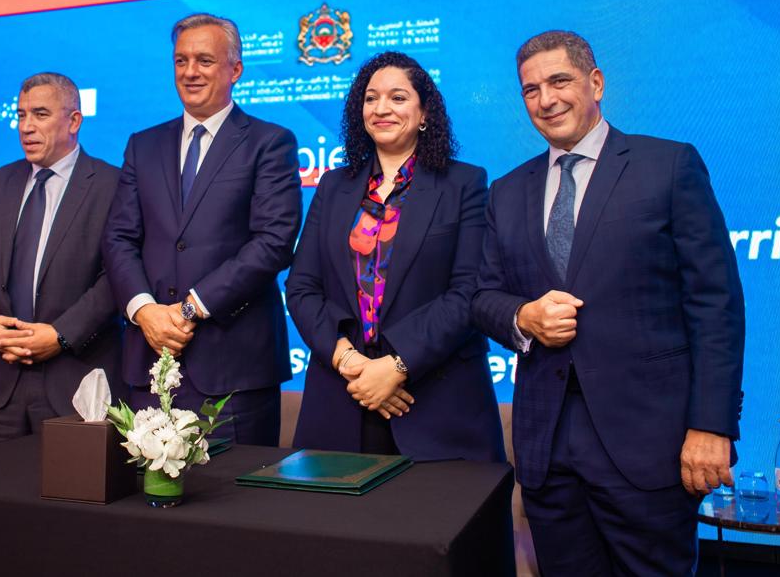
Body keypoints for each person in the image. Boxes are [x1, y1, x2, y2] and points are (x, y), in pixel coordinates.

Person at [472, 30, 745, 577]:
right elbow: (482, 297)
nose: (546, 100)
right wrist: (523, 317)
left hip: (650, 446)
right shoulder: (507, 190)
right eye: (531, 90)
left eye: (559, 81)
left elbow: (716, 304)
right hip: (547, 449)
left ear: (595, 83)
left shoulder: (668, 165)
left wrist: (712, 426)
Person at [285, 52, 503, 461]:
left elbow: (468, 292)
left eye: (398, 98)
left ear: (424, 113)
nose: (381, 108)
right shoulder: (333, 186)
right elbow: (301, 287)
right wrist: (350, 362)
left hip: (436, 402)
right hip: (342, 397)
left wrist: (396, 367)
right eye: (371, 98)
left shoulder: (463, 183)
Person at [102, 13, 301, 446]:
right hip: (150, 363)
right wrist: (144, 310)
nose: (190, 71)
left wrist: (190, 308)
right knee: (146, 489)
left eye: (205, 60)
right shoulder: (142, 144)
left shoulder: (270, 142)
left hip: (234, 372)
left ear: (235, 69)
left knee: (235, 490)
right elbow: (119, 238)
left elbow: (274, 242)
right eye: (181, 60)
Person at [0, 72, 122, 444]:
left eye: (40, 114)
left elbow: (117, 276)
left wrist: (60, 335)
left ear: (74, 121)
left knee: (71, 484)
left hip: (75, 382)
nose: (26, 126)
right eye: (21, 115)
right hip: (2, 380)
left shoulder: (112, 185)